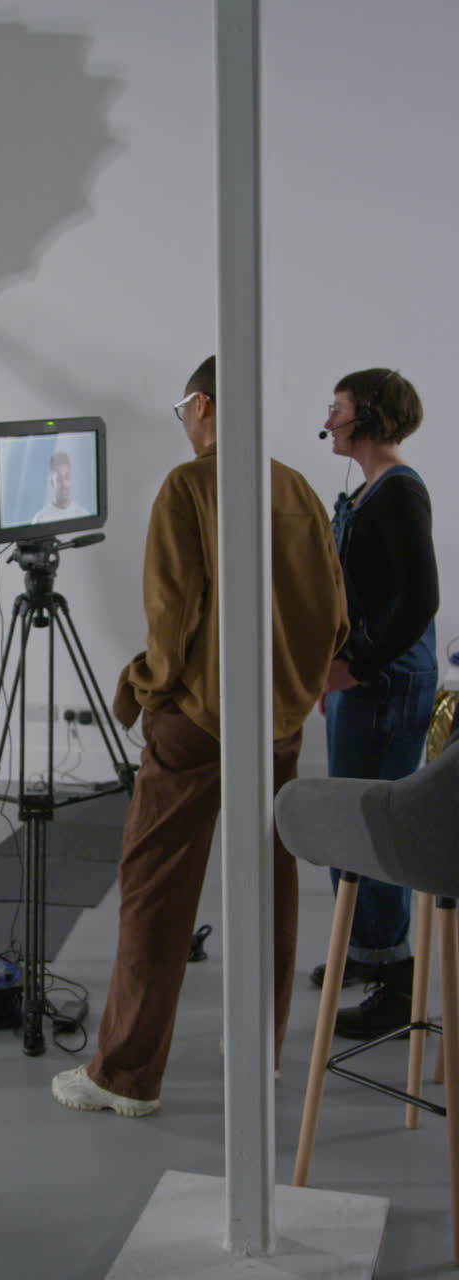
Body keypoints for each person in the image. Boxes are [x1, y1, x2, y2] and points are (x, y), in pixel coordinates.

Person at [51, 355, 349, 1116]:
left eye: (182, 408)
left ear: (205, 404)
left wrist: (146, 689)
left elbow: (174, 618)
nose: (182, 422)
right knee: (270, 885)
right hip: (278, 722)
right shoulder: (296, 487)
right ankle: (258, 1049)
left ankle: (125, 1075)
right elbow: (335, 618)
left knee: (157, 888)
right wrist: (292, 692)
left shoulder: (191, 486)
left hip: (199, 719)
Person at [313, 367, 439, 1039]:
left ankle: (395, 981)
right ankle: (366, 952)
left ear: (363, 416)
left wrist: (354, 667)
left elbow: (422, 601)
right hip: (369, 683)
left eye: (336, 408)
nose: (328, 419)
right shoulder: (368, 492)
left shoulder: (397, 494)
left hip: (385, 685)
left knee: (371, 830)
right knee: (354, 824)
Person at [32, 451, 88, 523]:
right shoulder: (40, 519)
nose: (64, 484)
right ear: (52, 482)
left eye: (67, 477)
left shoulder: (83, 515)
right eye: (59, 479)